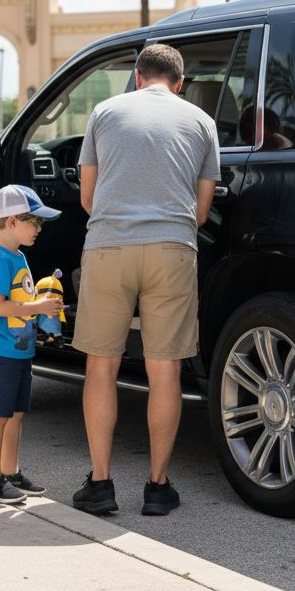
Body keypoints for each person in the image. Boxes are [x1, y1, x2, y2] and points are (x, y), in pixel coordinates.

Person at [72, 43, 220, 517]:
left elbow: (88, 198)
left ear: (138, 76)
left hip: (108, 246)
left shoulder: (103, 111)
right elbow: (200, 211)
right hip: (172, 249)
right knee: (165, 371)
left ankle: (99, 484)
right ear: (179, 83)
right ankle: (157, 487)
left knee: (101, 367)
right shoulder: (201, 122)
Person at [0, 184, 63, 504]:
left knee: (15, 414)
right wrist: (37, 309)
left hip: (18, 349)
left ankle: (10, 473)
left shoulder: (18, 256)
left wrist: (42, 303)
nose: (39, 229)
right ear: (11, 221)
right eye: (34, 222)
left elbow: (18, 299)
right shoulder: (0, 260)